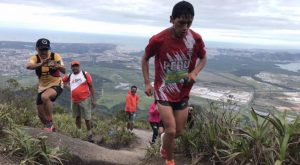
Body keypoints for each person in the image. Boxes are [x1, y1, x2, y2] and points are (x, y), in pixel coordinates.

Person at [141, 1, 207, 165]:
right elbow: (145, 58)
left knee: (178, 132)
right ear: (171, 19)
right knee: (170, 129)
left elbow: (203, 58)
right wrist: (147, 83)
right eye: (181, 22)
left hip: (183, 91)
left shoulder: (195, 38)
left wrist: (194, 72)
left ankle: (164, 140)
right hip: (163, 90)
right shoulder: (159, 39)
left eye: (189, 23)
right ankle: (170, 161)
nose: (185, 27)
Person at [26, 38, 66, 132]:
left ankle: (50, 123)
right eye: (41, 49)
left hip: (56, 83)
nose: (44, 52)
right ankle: (51, 129)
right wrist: (41, 64)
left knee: (45, 97)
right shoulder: (35, 58)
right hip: (42, 86)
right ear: (37, 49)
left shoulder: (55, 56)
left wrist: (57, 66)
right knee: (40, 114)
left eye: (46, 49)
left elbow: (64, 70)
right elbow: (28, 66)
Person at [62, 61, 96, 142]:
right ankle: (79, 133)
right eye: (73, 66)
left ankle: (89, 134)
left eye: (76, 66)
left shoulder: (85, 74)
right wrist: (70, 88)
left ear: (79, 66)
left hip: (85, 99)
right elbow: (62, 81)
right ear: (71, 67)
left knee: (87, 118)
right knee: (77, 117)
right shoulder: (69, 76)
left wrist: (94, 99)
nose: (75, 67)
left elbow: (91, 86)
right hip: (74, 101)